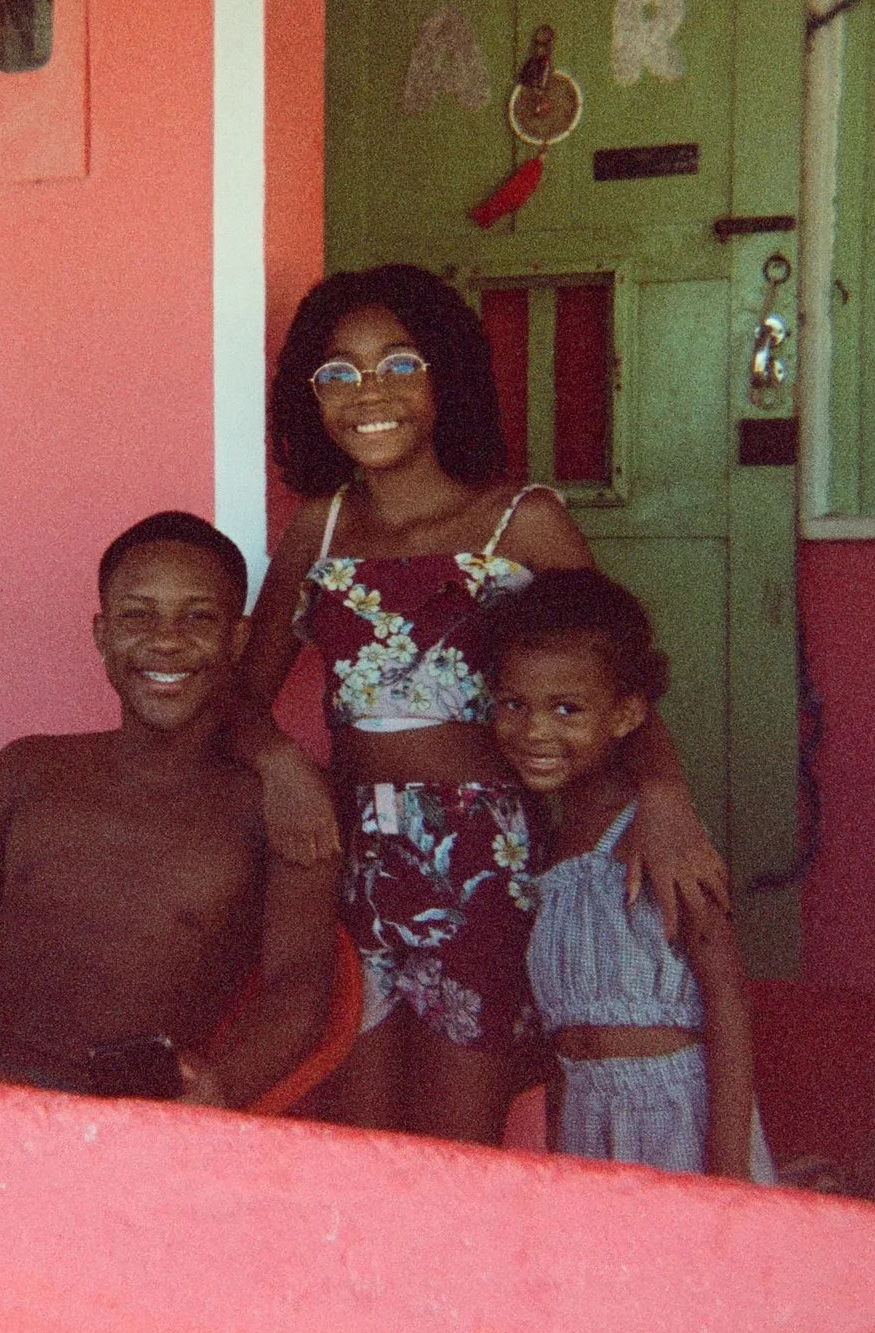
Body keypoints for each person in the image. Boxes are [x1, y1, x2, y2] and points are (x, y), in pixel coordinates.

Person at [239, 264, 730, 1145]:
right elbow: (241, 701)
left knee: (457, 1148)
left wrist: (665, 795)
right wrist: (280, 761)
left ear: (448, 378)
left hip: (484, 867)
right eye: (339, 373)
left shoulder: (520, 520)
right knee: (361, 1144)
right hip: (350, 861)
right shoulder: (318, 529)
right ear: (310, 397)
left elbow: (614, 675)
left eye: (400, 364)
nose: (370, 393)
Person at [0, 513, 341, 1107]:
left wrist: (221, 1089)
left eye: (198, 617)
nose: (167, 640)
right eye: (137, 615)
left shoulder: (284, 805)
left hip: (141, 1117)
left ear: (237, 640)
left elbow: (298, 986)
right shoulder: (28, 770)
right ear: (102, 635)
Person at [489, 568, 775, 1182]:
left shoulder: (657, 841)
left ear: (625, 715)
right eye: (514, 704)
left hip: (677, 1122)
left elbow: (727, 1003)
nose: (535, 730)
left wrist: (729, 1175)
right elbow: (561, 1049)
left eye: (567, 709)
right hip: (587, 1127)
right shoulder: (546, 848)